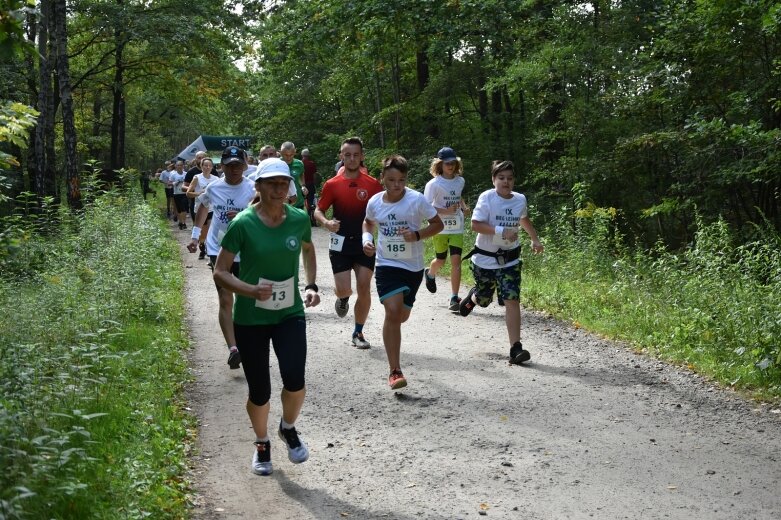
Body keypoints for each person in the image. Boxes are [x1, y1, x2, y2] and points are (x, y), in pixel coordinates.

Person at [213, 157, 319, 476]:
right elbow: (220, 272)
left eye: (283, 183)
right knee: (260, 391)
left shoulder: (299, 219)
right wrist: (248, 290)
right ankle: (262, 443)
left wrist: (311, 284)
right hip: (251, 319)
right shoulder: (242, 223)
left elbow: (308, 249)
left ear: (290, 188)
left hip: (289, 313)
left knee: (295, 380)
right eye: (271, 183)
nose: (277, 189)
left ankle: (287, 428)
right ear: (257, 186)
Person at [362, 155, 443, 389]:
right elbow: (368, 222)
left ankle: (393, 341)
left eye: (401, 180)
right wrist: (367, 239)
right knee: (393, 312)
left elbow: (438, 224)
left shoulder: (416, 200)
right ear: (382, 179)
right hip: (387, 264)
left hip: (413, 267)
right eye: (392, 180)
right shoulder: (375, 202)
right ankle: (395, 371)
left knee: (402, 316)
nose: (397, 185)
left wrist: (417, 235)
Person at [459, 160, 544, 365]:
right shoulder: (487, 198)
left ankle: (516, 348)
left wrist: (534, 238)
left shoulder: (519, 199)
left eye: (510, 178)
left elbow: (523, 219)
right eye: (501, 178)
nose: (506, 182)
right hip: (485, 260)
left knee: (512, 300)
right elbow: (475, 224)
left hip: (510, 260)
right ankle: (474, 297)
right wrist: (500, 231)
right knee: (485, 299)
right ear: (493, 180)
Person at [187, 146, 256, 369]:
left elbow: (265, 212)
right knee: (226, 299)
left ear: (244, 166)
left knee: (246, 299)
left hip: (246, 250)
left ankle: (247, 341)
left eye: (238, 165)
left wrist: (244, 215)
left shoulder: (254, 188)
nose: (234, 169)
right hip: (220, 249)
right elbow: (203, 210)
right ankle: (233, 349)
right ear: (222, 166)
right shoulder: (214, 187)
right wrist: (195, 237)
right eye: (230, 165)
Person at [314, 137, 383, 348]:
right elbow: (318, 210)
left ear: (362, 156)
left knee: (364, 288)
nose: (351, 159)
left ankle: (358, 332)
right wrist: (326, 222)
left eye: (356, 155)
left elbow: (385, 208)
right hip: (340, 243)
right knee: (345, 290)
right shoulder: (332, 184)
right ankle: (342, 298)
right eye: (347, 155)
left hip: (364, 243)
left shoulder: (372, 184)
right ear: (341, 157)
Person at [422, 146, 470, 311]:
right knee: (441, 261)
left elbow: (458, 196)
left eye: (453, 163)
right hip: (439, 227)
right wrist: (445, 211)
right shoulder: (433, 184)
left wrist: (464, 206)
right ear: (440, 164)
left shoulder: (460, 181)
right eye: (447, 163)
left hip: (457, 226)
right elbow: (425, 207)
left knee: (456, 262)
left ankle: (454, 298)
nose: (450, 166)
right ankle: (430, 273)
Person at [186, 157, 219, 259]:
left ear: (212, 167)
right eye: (205, 165)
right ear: (201, 166)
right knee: (203, 235)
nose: (208, 167)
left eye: (210, 165)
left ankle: (210, 254)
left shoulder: (216, 179)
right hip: (200, 208)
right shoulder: (197, 178)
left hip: (212, 209)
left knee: (210, 231)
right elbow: (188, 193)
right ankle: (202, 246)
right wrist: (199, 193)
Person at [279, 142, 305, 210]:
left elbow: (301, 174)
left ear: (295, 152)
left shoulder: (299, 164)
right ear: (280, 152)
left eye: (291, 154)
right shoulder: (276, 164)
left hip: (298, 202)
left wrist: (303, 186)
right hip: (282, 203)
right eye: (286, 155)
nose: (288, 157)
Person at [184, 151, 207, 221]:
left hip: (210, 203)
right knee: (197, 226)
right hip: (195, 202)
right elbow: (184, 186)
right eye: (199, 158)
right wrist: (195, 190)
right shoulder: (191, 172)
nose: (201, 160)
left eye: (203, 158)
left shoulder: (212, 171)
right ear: (195, 159)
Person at [301, 148, 318, 225]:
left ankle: (303, 219)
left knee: (301, 201)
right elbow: (314, 175)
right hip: (310, 184)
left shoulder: (300, 163)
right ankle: (312, 219)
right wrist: (314, 183)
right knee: (311, 201)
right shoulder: (312, 163)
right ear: (308, 155)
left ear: (302, 155)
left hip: (302, 185)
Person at [171, 160, 189, 229]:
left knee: (183, 208)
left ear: (183, 166)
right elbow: (169, 183)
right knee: (179, 209)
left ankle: (184, 223)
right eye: (178, 165)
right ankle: (180, 222)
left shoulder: (186, 174)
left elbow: (189, 182)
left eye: (181, 165)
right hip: (177, 193)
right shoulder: (173, 174)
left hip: (184, 193)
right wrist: (175, 183)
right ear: (176, 166)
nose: (179, 167)